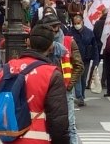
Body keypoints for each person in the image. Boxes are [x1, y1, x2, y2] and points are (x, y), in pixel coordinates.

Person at [0, 24, 70, 144]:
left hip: (5, 138)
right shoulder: (52, 74)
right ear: (51, 46)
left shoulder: (5, 69)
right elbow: (58, 121)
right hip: (38, 139)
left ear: (28, 42)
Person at [39, 14, 84, 144]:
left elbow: (78, 65)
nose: (54, 30)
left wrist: (69, 85)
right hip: (45, 88)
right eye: (50, 27)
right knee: (46, 125)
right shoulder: (41, 42)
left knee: (69, 126)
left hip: (64, 89)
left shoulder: (68, 41)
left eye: (55, 26)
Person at [69, 14, 99, 107]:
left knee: (83, 78)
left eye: (78, 23)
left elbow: (94, 46)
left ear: (82, 22)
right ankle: (79, 97)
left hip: (86, 59)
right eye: (75, 23)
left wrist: (96, 60)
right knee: (77, 78)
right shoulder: (70, 32)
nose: (76, 25)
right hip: (75, 60)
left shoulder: (89, 32)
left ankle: (81, 95)